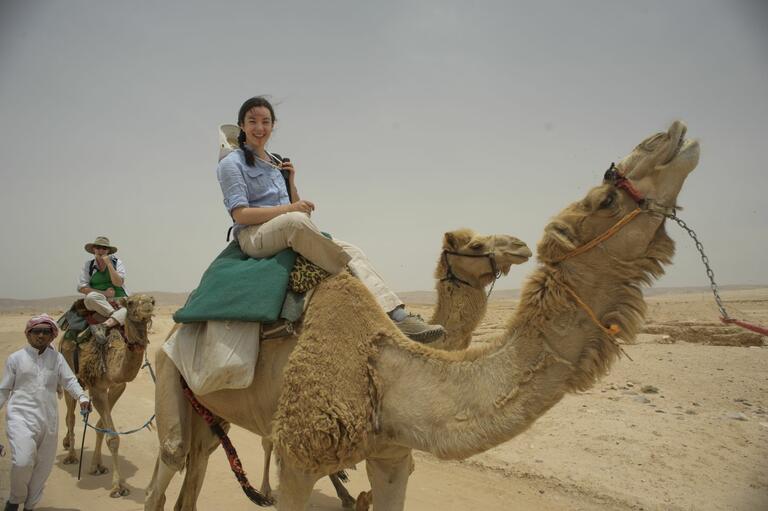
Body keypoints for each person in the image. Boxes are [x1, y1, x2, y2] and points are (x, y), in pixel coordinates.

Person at [216, 96, 444, 342]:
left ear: (273, 125)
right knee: (298, 224)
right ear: (241, 126)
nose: (259, 128)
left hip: (286, 228)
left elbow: (298, 212)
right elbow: (241, 214)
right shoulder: (231, 163)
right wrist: (291, 209)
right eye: (252, 121)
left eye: (265, 122)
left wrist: (290, 182)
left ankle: (397, 316)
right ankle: (346, 275)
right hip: (254, 235)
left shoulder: (275, 162)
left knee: (352, 249)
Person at [0, 314, 91, 511]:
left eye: (46, 331)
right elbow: (4, 390)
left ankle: (30, 506)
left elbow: (69, 381)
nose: (41, 335)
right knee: (23, 461)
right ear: (28, 334)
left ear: (52, 336)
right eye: (36, 331)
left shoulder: (57, 358)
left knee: (42, 469)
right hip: (20, 417)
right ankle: (14, 501)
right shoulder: (16, 359)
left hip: (48, 420)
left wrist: (82, 398)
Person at [76, 237, 128, 337]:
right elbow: (82, 288)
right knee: (90, 297)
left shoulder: (117, 263)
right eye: (98, 248)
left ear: (108, 251)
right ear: (93, 249)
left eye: (104, 248)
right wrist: (104, 293)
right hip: (99, 300)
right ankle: (116, 315)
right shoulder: (88, 266)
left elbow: (118, 283)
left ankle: (105, 325)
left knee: (128, 310)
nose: (101, 251)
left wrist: (109, 264)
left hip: (119, 299)